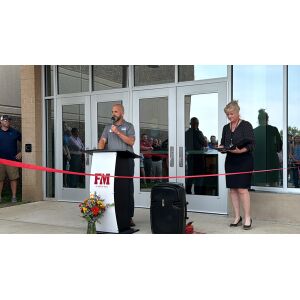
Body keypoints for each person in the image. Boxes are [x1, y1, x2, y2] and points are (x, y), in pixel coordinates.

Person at [218, 101, 255, 230]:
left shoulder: (246, 125)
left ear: (238, 112)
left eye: (231, 114)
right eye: (227, 114)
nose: (229, 116)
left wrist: (241, 150)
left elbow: (251, 144)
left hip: (244, 160)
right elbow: (223, 143)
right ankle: (237, 217)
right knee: (233, 189)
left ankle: (247, 218)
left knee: (242, 189)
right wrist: (221, 148)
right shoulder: (225, 128)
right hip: (231, 161)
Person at [98, 104, 136, 227]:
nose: (113, 113)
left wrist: (118, 132)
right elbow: (103, 141)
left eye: (116, 111)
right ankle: (114, 214)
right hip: (111, 162)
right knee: (113, 189)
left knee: (127, 189)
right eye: (112, 111)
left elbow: (131, 141)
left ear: (122, 113)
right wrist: (100, 150)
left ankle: (128, 217)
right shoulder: (108, 127)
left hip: (126, 161)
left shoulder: (129, 126)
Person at [253, 109, 283, 187]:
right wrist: (273, 148)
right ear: (267, 119)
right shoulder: (274, 130)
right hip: (271, 160)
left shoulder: (254, 131)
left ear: (258, 120)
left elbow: (251, 148)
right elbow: (279, 146)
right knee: (273, 186)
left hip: (258, 161)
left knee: (260, 187)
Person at [0, 115, 22, 203]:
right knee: (0, 179)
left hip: (12, 160)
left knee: (13, 179)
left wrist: (21, 152)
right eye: (5, 120)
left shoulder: (15, 132)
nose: (7, 122)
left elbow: (26, 141)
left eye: (8, 120)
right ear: (1, 122)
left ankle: (13, 197)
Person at [185, 117, 207, 194]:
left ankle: (188, 192)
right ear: (197, 124)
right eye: (197, 123)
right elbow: (205, 143)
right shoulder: (198, 133)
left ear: (190, 124)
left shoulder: (186, 133)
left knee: (190, 176)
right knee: (199, 177)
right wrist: (204, 138)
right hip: (198, 157)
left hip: (190, 157)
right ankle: (198, 194)